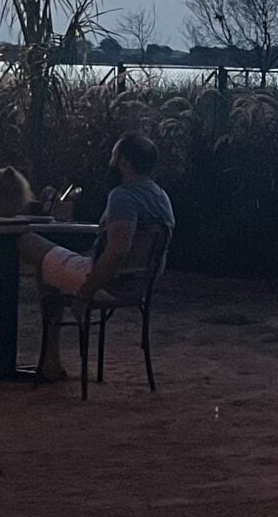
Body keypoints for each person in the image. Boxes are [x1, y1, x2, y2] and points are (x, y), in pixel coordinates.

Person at [22, 132, 175, 384]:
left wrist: (85, 293)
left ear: (124, 162)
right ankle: (50, 361)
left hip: (107, 282)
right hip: (140, 285)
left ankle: (50, 359)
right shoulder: (160, 196)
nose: (111, 163)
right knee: (49, 268)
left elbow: (117, 251)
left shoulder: (123, 196)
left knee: (26, 240)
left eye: (114, 157)